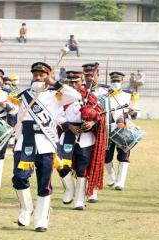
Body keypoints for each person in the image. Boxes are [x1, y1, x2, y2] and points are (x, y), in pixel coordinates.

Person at [12, 62, 81, 232]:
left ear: (48, 75)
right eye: (35, 74)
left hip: (45, 143)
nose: (38, 77)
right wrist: (15, 139)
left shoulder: (55, 95)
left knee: (44, 183)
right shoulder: (23, 95)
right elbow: (19, 119)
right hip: (24, 141)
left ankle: (41, 219)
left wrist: (54, 83)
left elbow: (75, 95)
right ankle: (26, 208)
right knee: (19, 178)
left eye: (42, 75)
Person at [58, 70, 106, 210]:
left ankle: (79, 200)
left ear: (81, 82)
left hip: (85, 138)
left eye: (76, 82)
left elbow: (100, 115)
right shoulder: (61, 96)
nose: (73, 84)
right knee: (62, 165)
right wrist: (68, 125)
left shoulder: (90, 96)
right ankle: (69, 189)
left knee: (82, 169)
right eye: (70, 82)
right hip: (66, 135)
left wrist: (92, 123)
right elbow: (56, 115)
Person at [104, 72, 140, 191]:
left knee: (124, 155)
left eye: (118, 81)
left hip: (123, 129)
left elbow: (136, 113)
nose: (115, 83)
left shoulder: (129, 95)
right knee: (106, 157)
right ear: (110, 81)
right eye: (113, 81)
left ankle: (120, 181)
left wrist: (132, 112)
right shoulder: (104, 94)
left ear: (122, 81)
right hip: (107, 128)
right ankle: (110, 175)